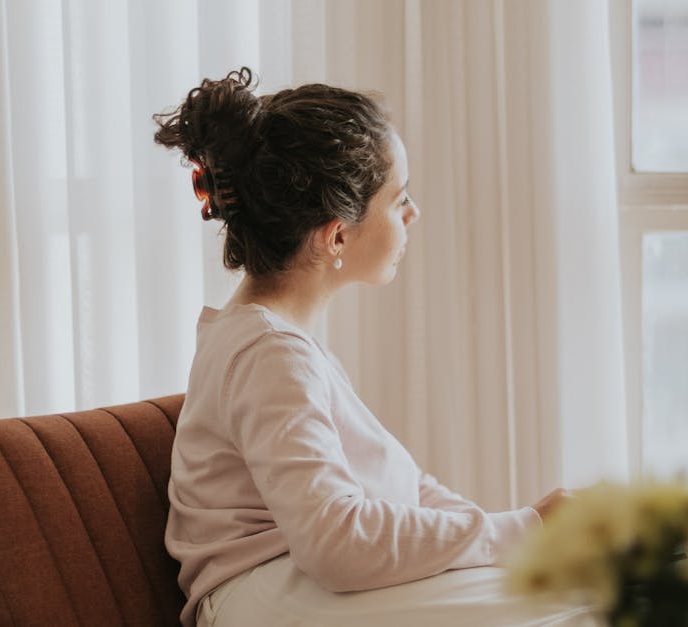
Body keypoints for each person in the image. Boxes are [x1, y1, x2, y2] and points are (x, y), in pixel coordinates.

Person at [155, 68, 594, 627]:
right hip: (274, 598)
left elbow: (403, 488)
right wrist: (523, 528)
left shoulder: (274, 343)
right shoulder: (269, 356)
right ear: (336, 235)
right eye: (400, 197)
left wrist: (519, 536)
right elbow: (337, 543)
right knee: (589, 606)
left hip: (301, 586)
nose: (414, 214)